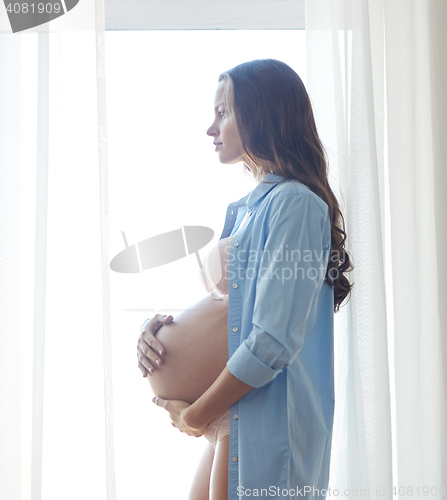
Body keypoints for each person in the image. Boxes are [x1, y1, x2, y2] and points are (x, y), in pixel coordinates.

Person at [136, 59, 354, 500]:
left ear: (263, 115)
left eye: (223, 112)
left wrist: (196, 415)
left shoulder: (295, 203)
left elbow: (272, 339)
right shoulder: (249, 207)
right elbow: (226, 315)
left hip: (262, 421)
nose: (210, 128)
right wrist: (155, 332)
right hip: (233, 418)